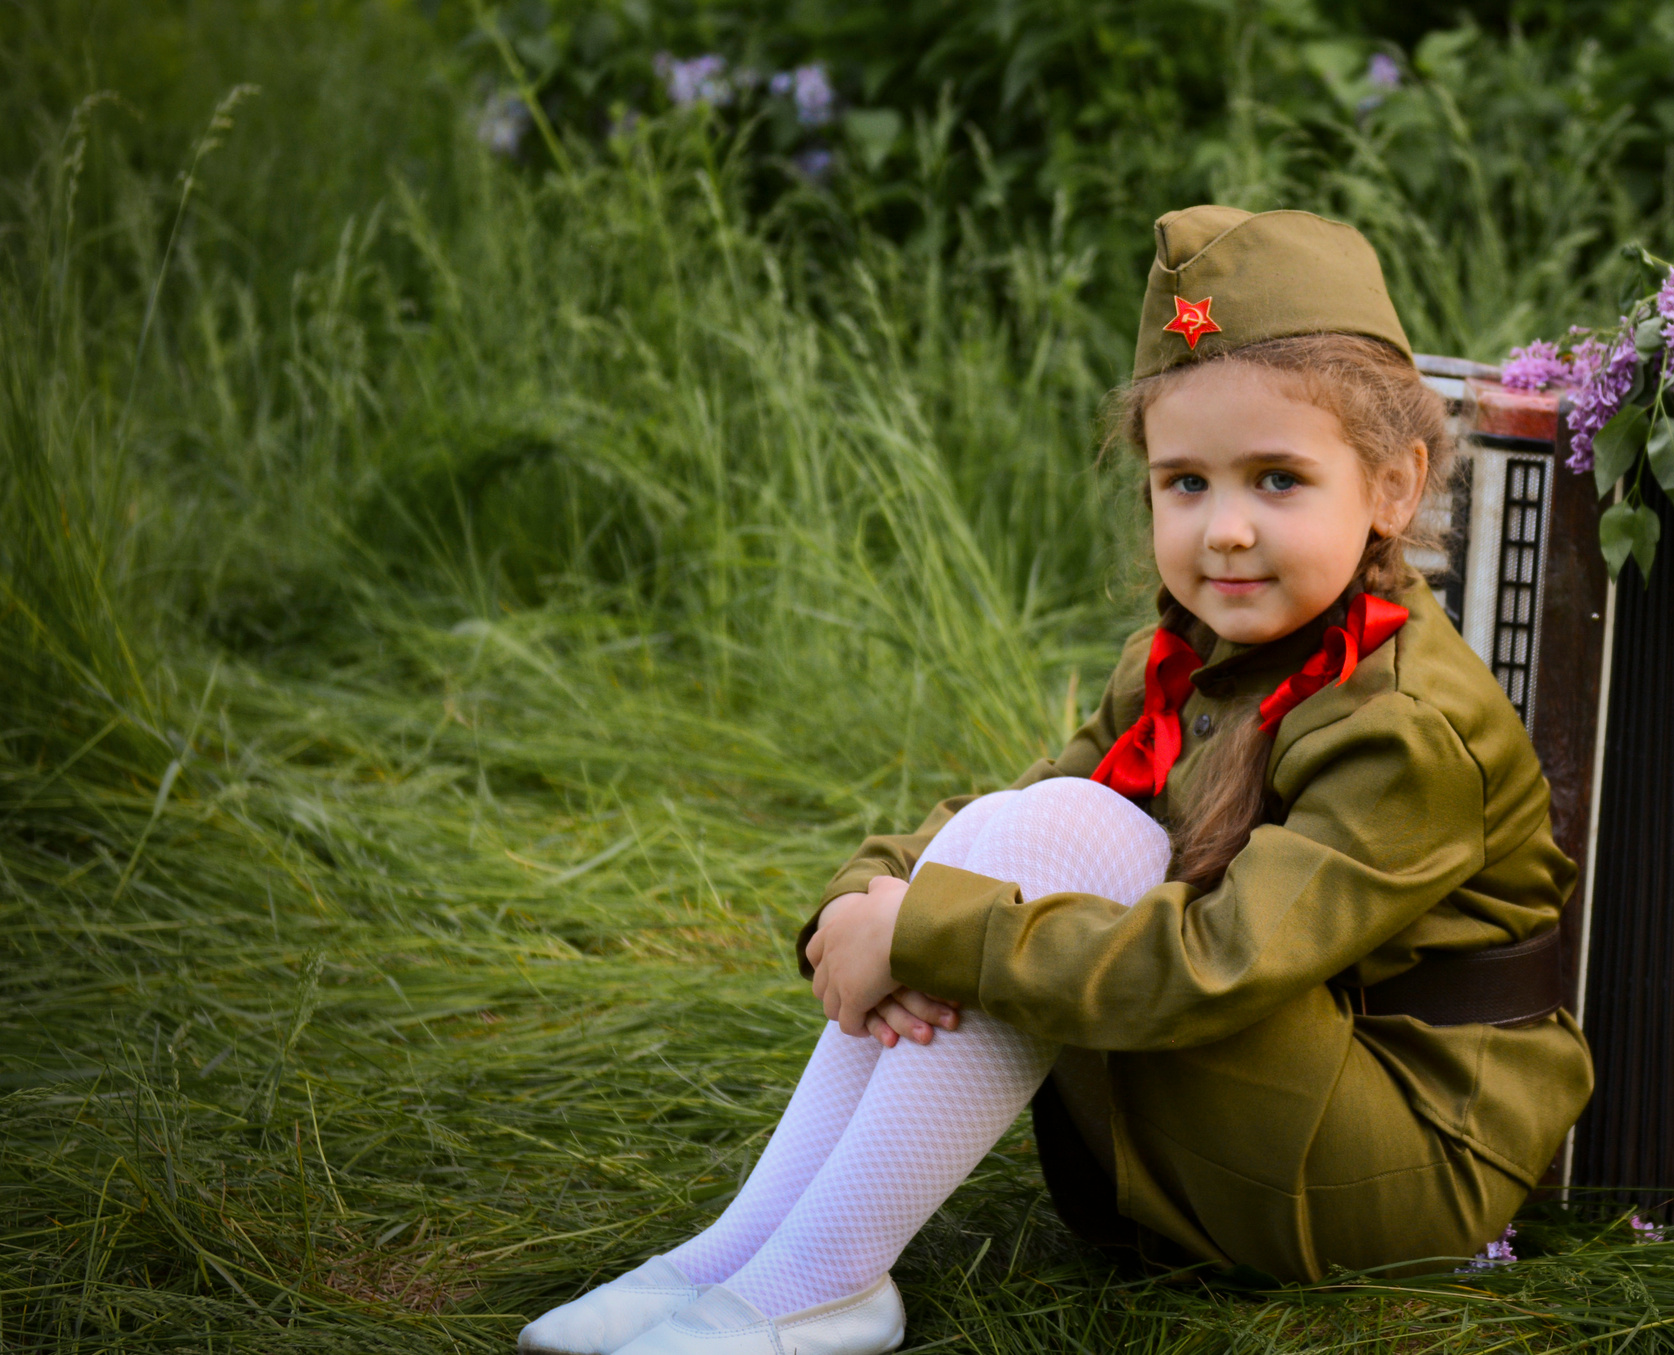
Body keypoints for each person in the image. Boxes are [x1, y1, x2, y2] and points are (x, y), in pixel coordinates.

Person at [518, 206, 1593, 1355]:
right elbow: (1017, 811)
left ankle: (818, 1284)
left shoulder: (1406, 728)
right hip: (1282, 1102)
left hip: (1404, 1165)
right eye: (1185, 483)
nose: (1224, 531)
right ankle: (743, 1260)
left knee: (1037, 858)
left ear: (1391, 486)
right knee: (1049, 822)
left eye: (1277, 480)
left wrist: (933, 933)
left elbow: (1217, 969)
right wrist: (862, 895)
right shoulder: (1189, 660)